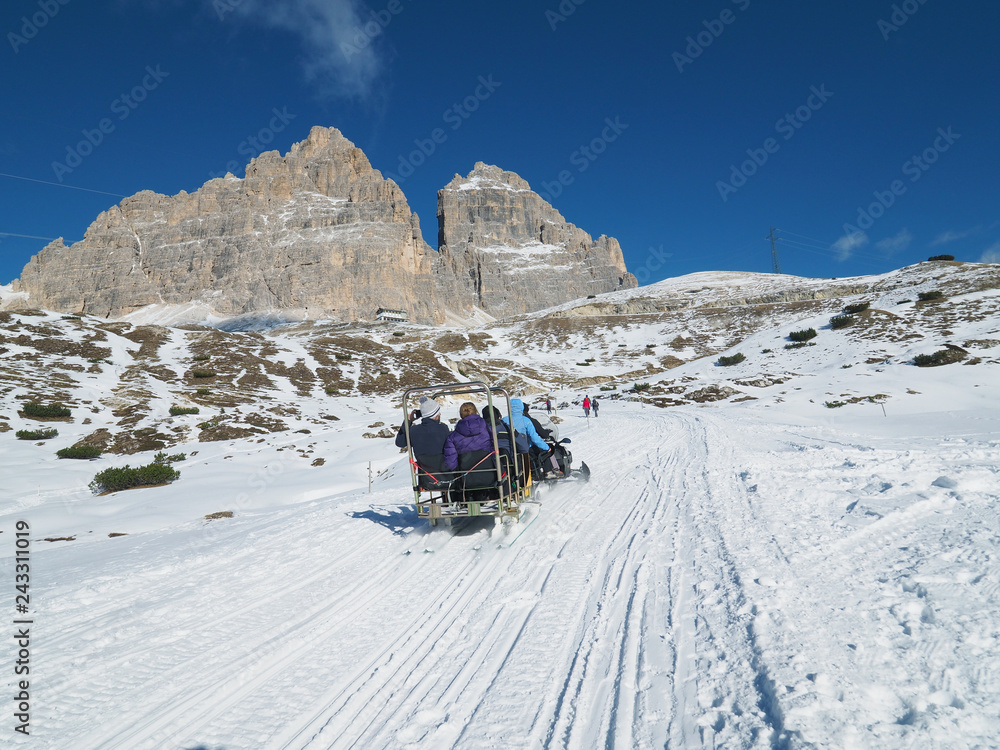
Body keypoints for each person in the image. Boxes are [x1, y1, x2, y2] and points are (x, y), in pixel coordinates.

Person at [396, 396, 450, 485]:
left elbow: (399, 442)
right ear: (434, 415)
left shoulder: (414, 431)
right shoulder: (443, 429)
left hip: (426, 479)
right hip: (446, 475)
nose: (440, 414)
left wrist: (408, 421)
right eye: (437, 412)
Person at [442, 402, 494, 471]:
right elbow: (495, 449)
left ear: (461, 415)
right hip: (489, 471)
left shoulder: (452, 437)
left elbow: (451, 463)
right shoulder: (488, 429)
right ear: (476, 411)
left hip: (466, 476)